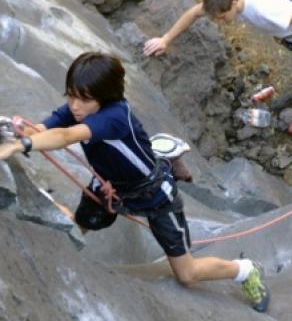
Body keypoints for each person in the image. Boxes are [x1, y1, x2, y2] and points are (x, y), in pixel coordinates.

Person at [0, 52, 270, 312]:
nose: (74, 105)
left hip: (154, 196)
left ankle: (245, 270)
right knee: (78, 226)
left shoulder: (115, 116)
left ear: (105, 98)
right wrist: (20, 132)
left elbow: (65, 137)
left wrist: (20, 145)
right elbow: (48, 128)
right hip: (109, 187)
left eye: (83, 99)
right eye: (71, 95)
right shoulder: (80, 108)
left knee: (187, 274)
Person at [144, 0, 292, 109]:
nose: (221, 21)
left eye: (223, 17)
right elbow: (192, 13)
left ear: (233, 4)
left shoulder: (264, 9)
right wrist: (165, 39)